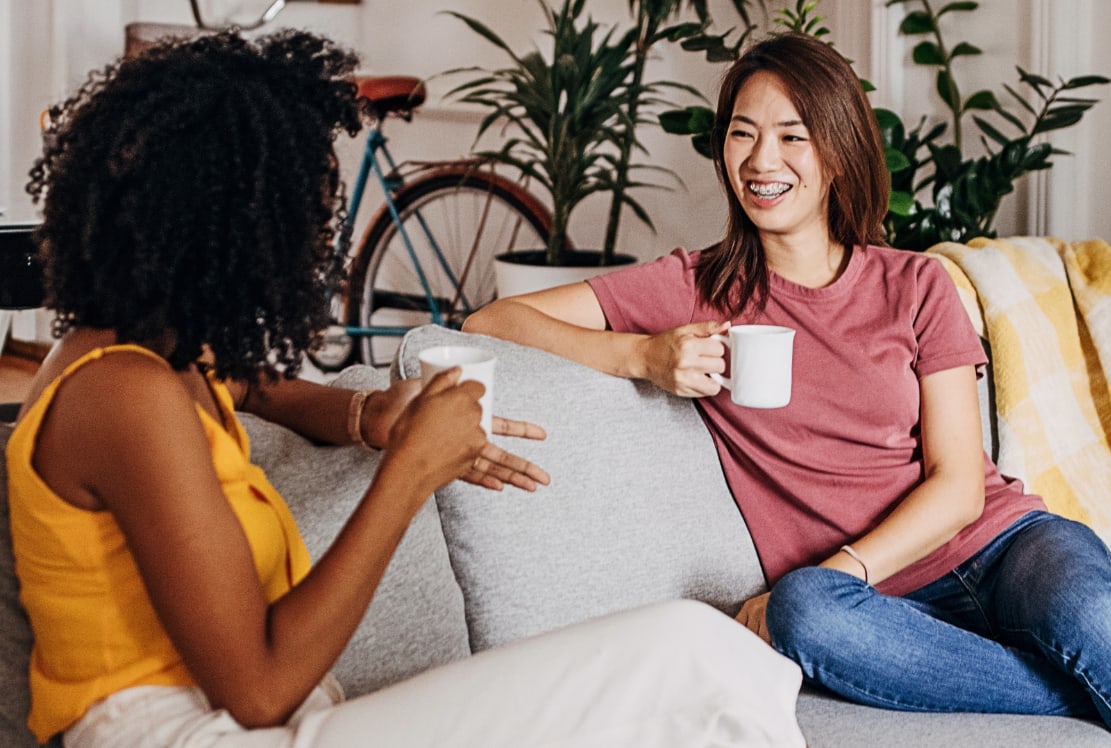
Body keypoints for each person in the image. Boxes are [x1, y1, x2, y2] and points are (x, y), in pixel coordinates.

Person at [6, 30, 808, 747]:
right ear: (223, 224)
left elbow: (260, 389)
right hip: (189, 734)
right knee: (693, 665)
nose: (325, 247)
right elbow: (255, 690)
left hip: (275, 719)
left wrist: (369, 415)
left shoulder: (163, 354)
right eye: (307, 220)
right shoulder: (125, 395)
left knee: (697, 650)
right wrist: (409, 473)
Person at [464, 31, 1111, 735]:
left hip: (1004, 547)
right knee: (800, 609)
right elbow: (491, 320)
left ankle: (1065, 678)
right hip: (877, 614)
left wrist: (847, 568)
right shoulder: (694, 285)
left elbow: (959, 486)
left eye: (791, 136)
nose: (761, 160)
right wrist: (642, 357)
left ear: (837, 152)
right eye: (741, 134)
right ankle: (1071, 688)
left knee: (1086, 613)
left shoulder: (917, 284)